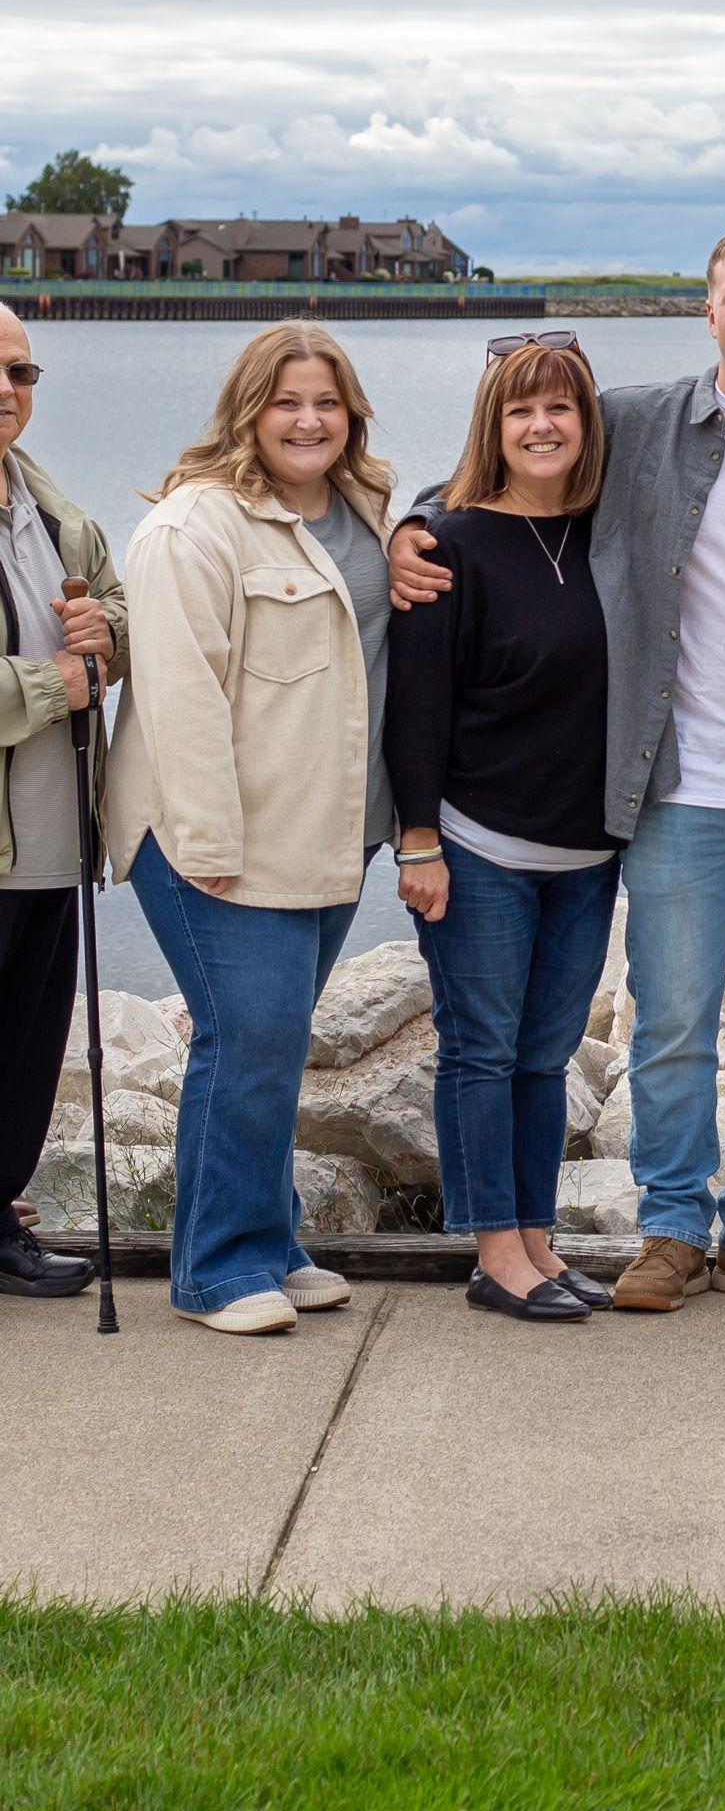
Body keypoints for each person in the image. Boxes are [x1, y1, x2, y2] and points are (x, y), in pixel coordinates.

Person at [389, 218, 725, 1312]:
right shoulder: (641, 421)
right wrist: (414, 521)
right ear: (710, 311)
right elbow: (513, 454)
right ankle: (670, 1230)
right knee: (671, 1022)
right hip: (671, 790)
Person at [105, 321, 394, 1335]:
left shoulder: (365, 507)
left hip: (331, 827)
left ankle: (270, 1241)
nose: (308, 420)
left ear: (351, 414)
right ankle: (216, 1268)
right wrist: (208, 847)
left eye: (326, 402)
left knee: (273, 1044)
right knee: (248, 1037)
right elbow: (178, 698)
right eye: (286, 401)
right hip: (217, 835)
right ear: (247, 411)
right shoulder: (194, 527)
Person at [386, 334, 622, 1323]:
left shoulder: (611, 533)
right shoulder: (448, 544)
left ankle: (536, 1238)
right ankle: (494, 1253)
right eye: (520, 409)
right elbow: (417, 706)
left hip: (588, 852)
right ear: (493, 423)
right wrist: (419, 840)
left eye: (560, 406)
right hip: (479, 845)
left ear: (587, 421)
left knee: (545, 1055)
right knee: (480, 1050)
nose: (541, 425)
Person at [0, 302, 128, 1299]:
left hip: (51, 844)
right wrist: (57, 684)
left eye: (22, 372)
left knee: (26, 1049)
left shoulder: (52, 514)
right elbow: (63, 681)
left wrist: (106, 637)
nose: (8, 391)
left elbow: (117, 612)